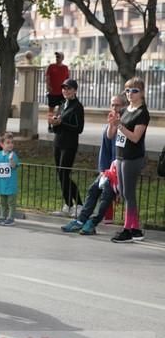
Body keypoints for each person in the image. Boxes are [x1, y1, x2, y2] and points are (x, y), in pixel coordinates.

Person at [61, 95, 124, 235]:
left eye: (118, 105)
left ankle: (93, 222)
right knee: (93, 190)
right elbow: (105, 151)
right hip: (108, 170)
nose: (115, 108)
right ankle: (81, 220)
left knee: (107, 193)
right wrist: (103, 170)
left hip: (120, 170)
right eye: (113, 105)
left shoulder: (125, 125)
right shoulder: (109, 127)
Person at [107, 77, 150, 243]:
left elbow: (135, 137)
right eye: (128, 90)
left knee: (129, 194)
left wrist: (119, 125)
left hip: (133, 157)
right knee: (124, 193)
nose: (130, 94)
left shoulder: (142, 113)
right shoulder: (125, 110)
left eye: (134, 91)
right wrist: (112, 124)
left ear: (142, 93)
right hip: (120, 156)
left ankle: (127, 230)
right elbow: (111, 135)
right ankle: (135, 229)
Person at [49, 78, 85, 217]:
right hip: (58, 143)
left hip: (69, 145)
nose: (66, 91)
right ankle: (68, 204)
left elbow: (79, 128)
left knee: (65, 174)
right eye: (64, 88)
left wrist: (61, 123)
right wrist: (54, 123)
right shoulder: (62, 104)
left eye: (69, 88)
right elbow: (57, 125)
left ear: (75, 90)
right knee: (60, 174)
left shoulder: (77, 107)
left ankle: (79, 204)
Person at [46, 52, 69, 131]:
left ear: (63, 58)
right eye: (56, 56)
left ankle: (55, 125)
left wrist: (67, 89)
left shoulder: (65, 68)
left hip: (62, 93)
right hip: (52, 92)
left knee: (60, 110)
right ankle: (49, 126)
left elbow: (67, 79)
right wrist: (48, 86)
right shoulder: (51, 66)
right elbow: (47, 77)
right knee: (51, 111)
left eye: (59, 56)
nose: (57, 58)